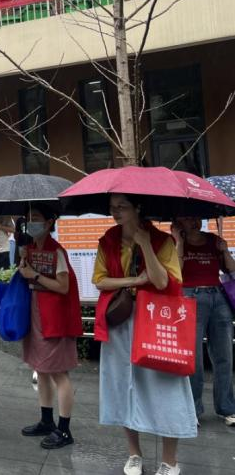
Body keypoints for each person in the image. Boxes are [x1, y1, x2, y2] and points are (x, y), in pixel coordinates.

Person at [93, 194, 196, 475]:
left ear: (138, 208)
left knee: (165, 387)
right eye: (112, 207)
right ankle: (134, 454)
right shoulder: (108, 240)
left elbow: (163, 281)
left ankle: (170, 461)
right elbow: (99, 280)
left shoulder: (162, 241)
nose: (115, 212)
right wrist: (134, 280)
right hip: (121, 321)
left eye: (122, 207)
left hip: (156, 322)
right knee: (123, 385)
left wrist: (145, 245)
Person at [17, 204, 83, 449]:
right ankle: (46, 421)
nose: (31, 223)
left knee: (58, 373)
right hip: (37, 317)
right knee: (41, 369)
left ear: (49, 223)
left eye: (36, 218)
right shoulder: (31, 249)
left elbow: (63, 287)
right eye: (28, 218)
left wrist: (34, 275)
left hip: (55, 319)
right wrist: (23, 263)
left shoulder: (57, 252)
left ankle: (64, 430)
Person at [171, 216, 235, 426]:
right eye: (188, 218)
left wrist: (225, 250)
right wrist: (179, 242)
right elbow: (175, 274)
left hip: (218, 297)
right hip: (190, 298)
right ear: (178, 221)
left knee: (224, 355)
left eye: (197, 218)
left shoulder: (213, 240)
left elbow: (231, 270)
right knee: (194, 359)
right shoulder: (173, 242)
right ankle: (193, 410)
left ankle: (227, 408)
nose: (194, 222)